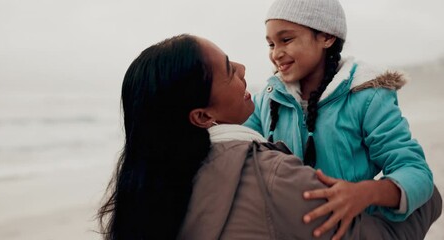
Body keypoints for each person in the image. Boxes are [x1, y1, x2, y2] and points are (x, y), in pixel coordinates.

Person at [97, 34, 441, 240]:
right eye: (230, 70)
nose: (247, 69)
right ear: (202, 117)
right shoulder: (273, 176)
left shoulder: (149, 191)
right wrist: (416, 193)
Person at [243, 0, 436, 238]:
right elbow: (238, 150)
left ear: (326, 38)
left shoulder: (366, 96)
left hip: (350, 230)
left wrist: (364, 193)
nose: (276, 53)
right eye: (271, 44)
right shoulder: (268, 100)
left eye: (286, 40)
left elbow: (415, 171)